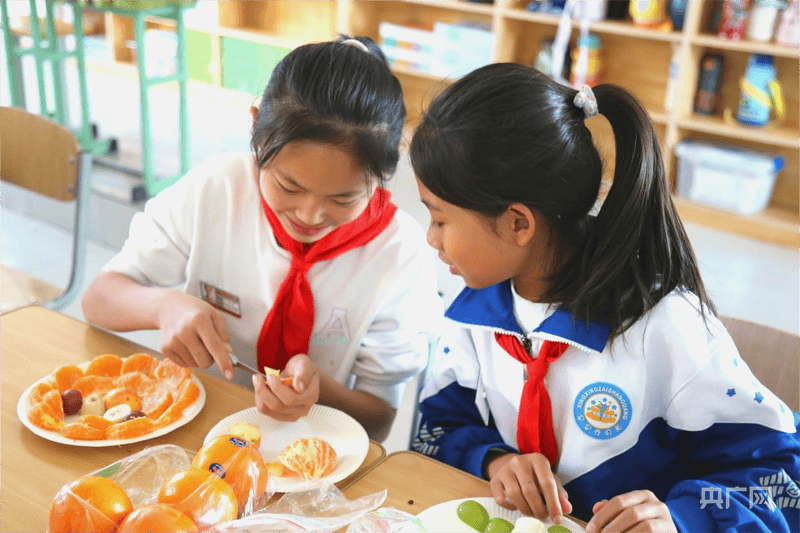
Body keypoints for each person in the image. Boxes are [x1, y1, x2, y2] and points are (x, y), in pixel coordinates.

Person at [409, 63, 800, 532]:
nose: (431, 239)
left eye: (439, 219)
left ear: (518, 223)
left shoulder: (665, 327)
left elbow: (779, 482)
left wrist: (680, 519)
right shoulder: (475, 310)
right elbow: (434, 430)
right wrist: (492, 460)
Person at [81, 36, 443, 442]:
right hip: (198, 424)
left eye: (344, 198)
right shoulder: (218, 189)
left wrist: (321, 392)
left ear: (387, 163)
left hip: (312, 448)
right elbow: (98, 298)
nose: (310, 216)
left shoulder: (399, 254)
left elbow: (379, 420)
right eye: (288, 186)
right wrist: (162, 306)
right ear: (256, 124)